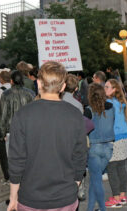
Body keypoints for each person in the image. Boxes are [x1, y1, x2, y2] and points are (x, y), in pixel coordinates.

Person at [7, 62, 87, 211]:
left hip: (31, 197)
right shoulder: (75, 115)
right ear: (63, 87)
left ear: (38, 83)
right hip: (66, 197)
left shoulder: (23, 115)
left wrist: (13, 196)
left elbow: (16, 160)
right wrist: (74, 184)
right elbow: (80, 155)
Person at [0, 70, 35, 186]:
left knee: (12, 162)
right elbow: (34, 115)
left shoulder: (6, 94)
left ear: (11, 81)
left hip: (11, 133)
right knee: (26, 160)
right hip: (27, 132)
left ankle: (15, 189)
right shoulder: (30, 94)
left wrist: (1, 134)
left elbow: (2, 116)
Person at [84, 83, 114, 211]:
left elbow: (83, 129)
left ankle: (102, 209)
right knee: (95, 181)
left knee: (96, 181)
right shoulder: (111, 107)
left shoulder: (89, 110)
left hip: (95, 148)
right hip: (108, 148)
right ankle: (90, 209)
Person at [104, 79, 127, 208]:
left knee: (112, 168)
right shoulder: (121, 103)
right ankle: (122, 195)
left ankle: (116, 199)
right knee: (121, 167)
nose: (105, 89)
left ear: (114, 89)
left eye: (107, 87)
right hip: (124, 137)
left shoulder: (109, 103)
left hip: (114, 138)